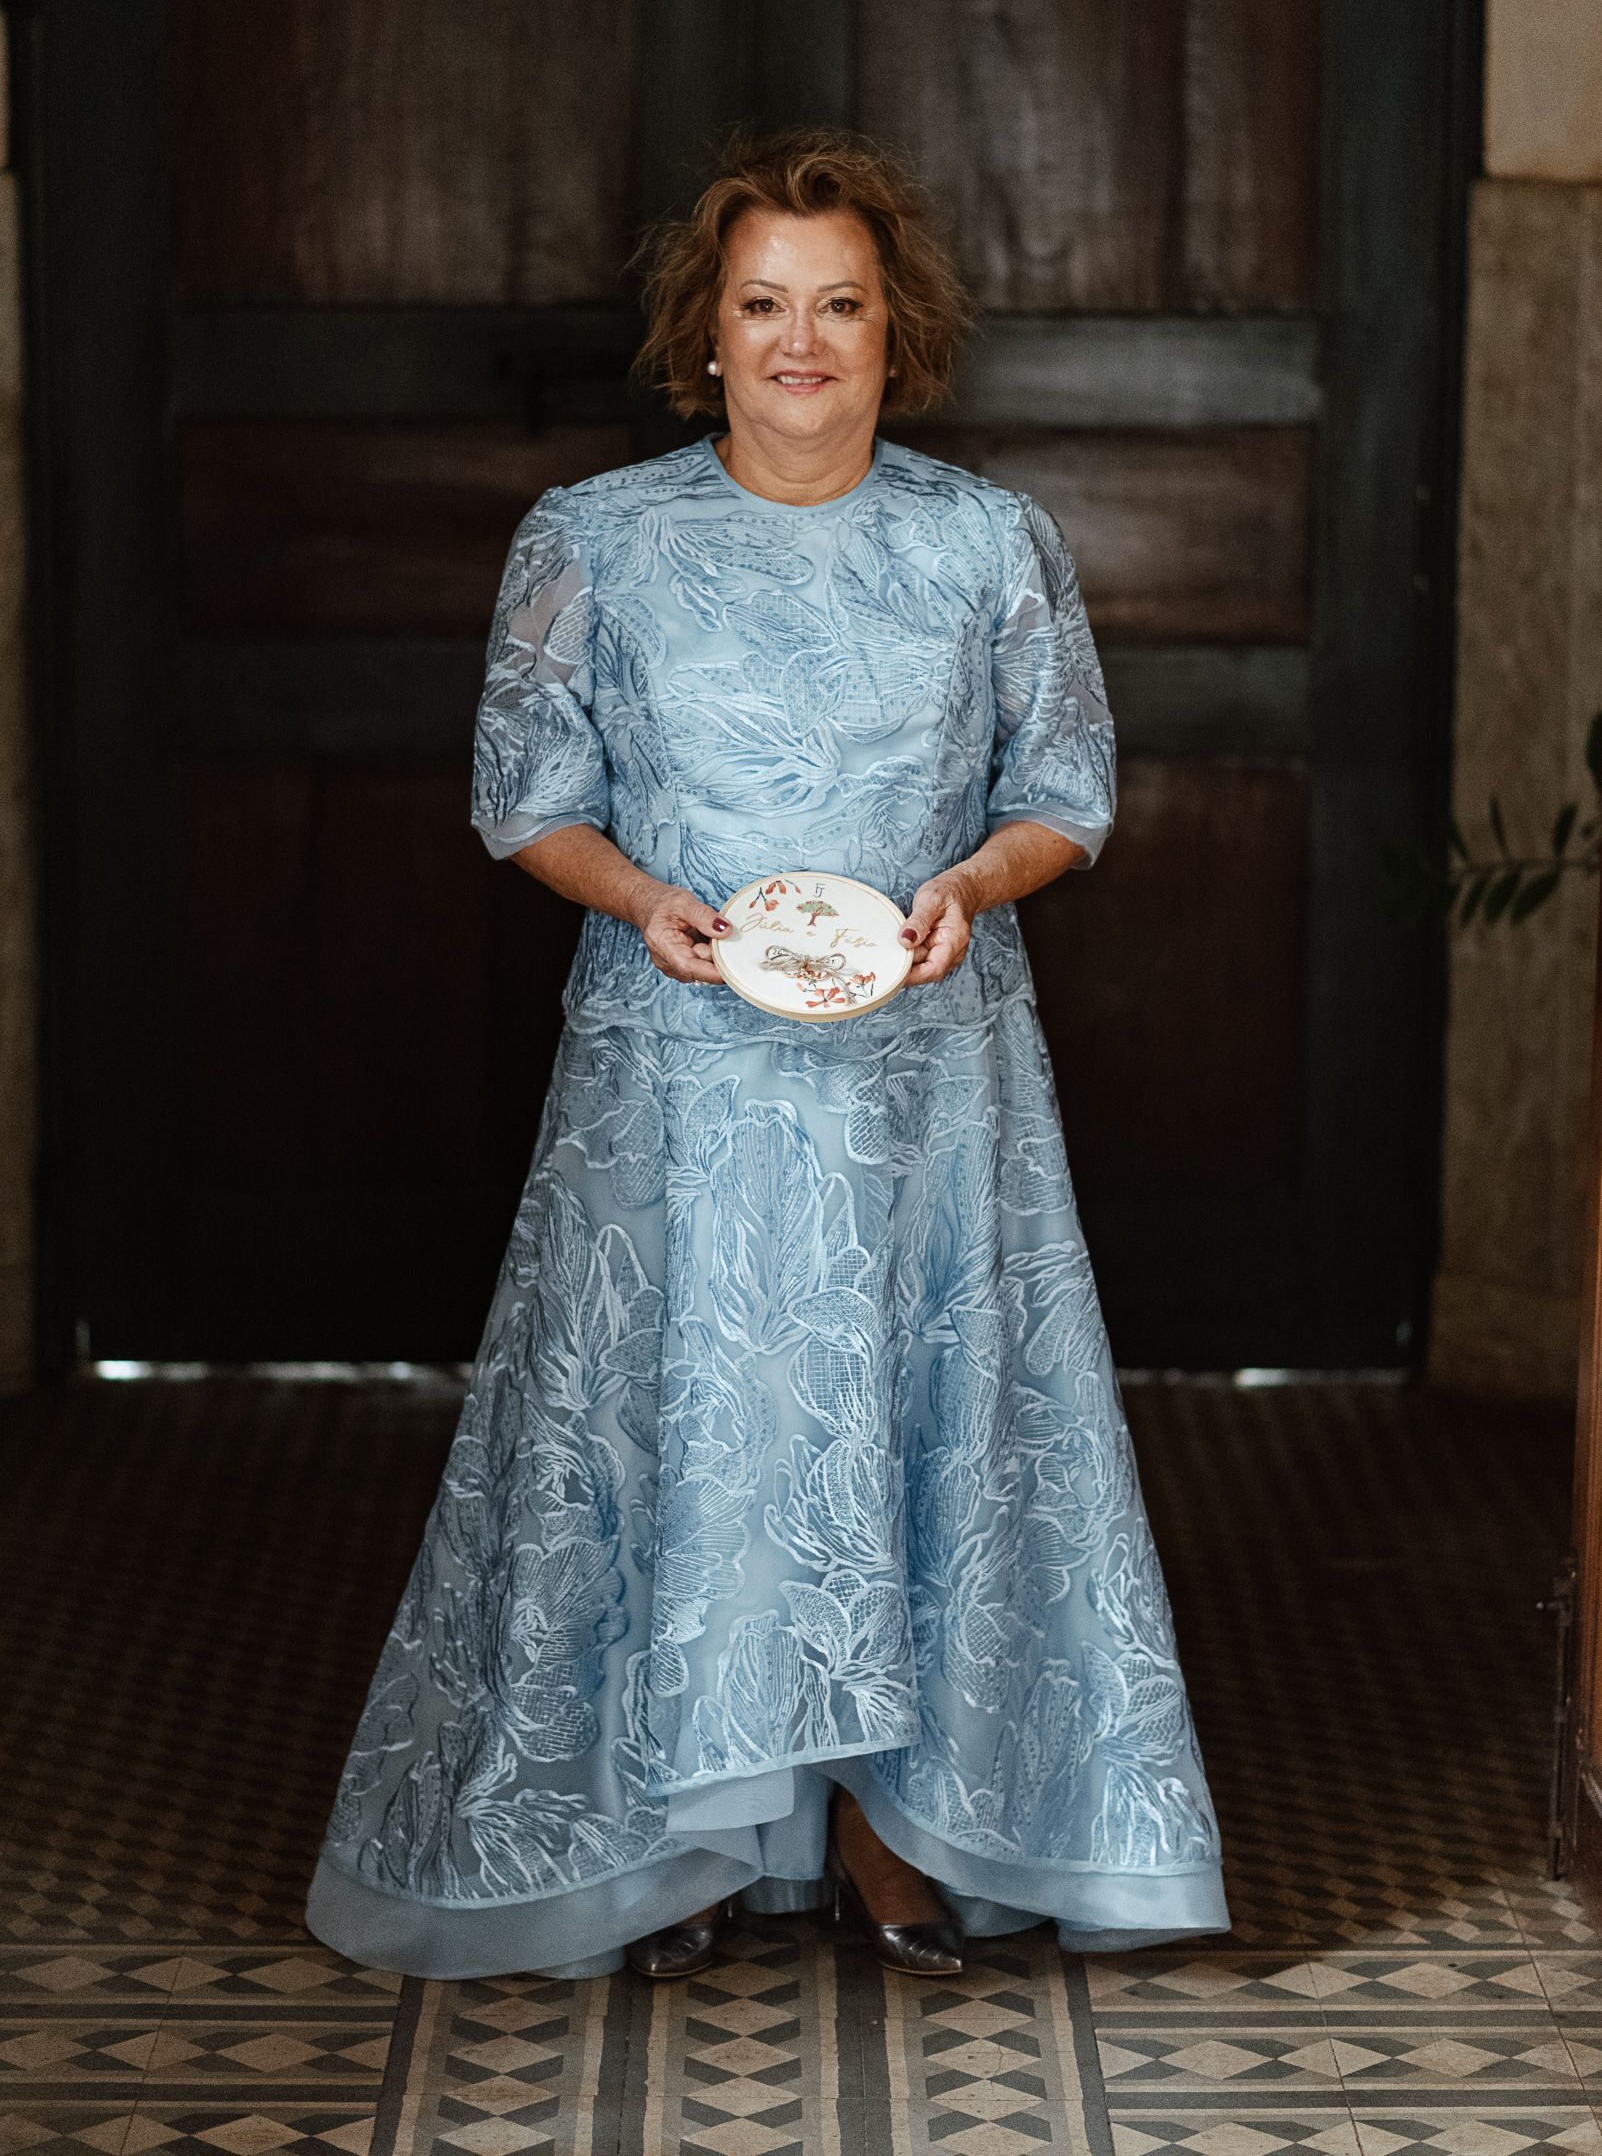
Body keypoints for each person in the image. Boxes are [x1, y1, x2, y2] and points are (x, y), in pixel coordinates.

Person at [303, 124, 1229, 1984]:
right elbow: (526, 794)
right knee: (686, 1430)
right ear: (703, 334)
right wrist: (638, 896)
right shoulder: (594, 539)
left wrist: (976, 877)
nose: (800, 342)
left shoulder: (985, 540)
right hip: (679, 1068)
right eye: (761, 306)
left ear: (898, 332)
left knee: (918, 1428)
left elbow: (1066, 784)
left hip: (927, 1080)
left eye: (840, 306)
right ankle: (684, 1837)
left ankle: (898, 1831)